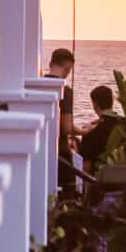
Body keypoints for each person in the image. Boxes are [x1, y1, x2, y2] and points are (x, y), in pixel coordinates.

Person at [45, 49, 76, 197]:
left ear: (51, 63)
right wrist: (83, 131)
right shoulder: (65, 90)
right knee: (68, 192)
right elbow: (66, 128)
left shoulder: (37, 85)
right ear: (68, 67)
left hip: (41, 150)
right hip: (60, 152)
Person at [77, 84, 123, 176]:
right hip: (125, 177)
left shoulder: (91, 132)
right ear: (111, 102)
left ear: (95, 105)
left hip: (100, 181)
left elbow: (86, 167)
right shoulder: (125, 125)